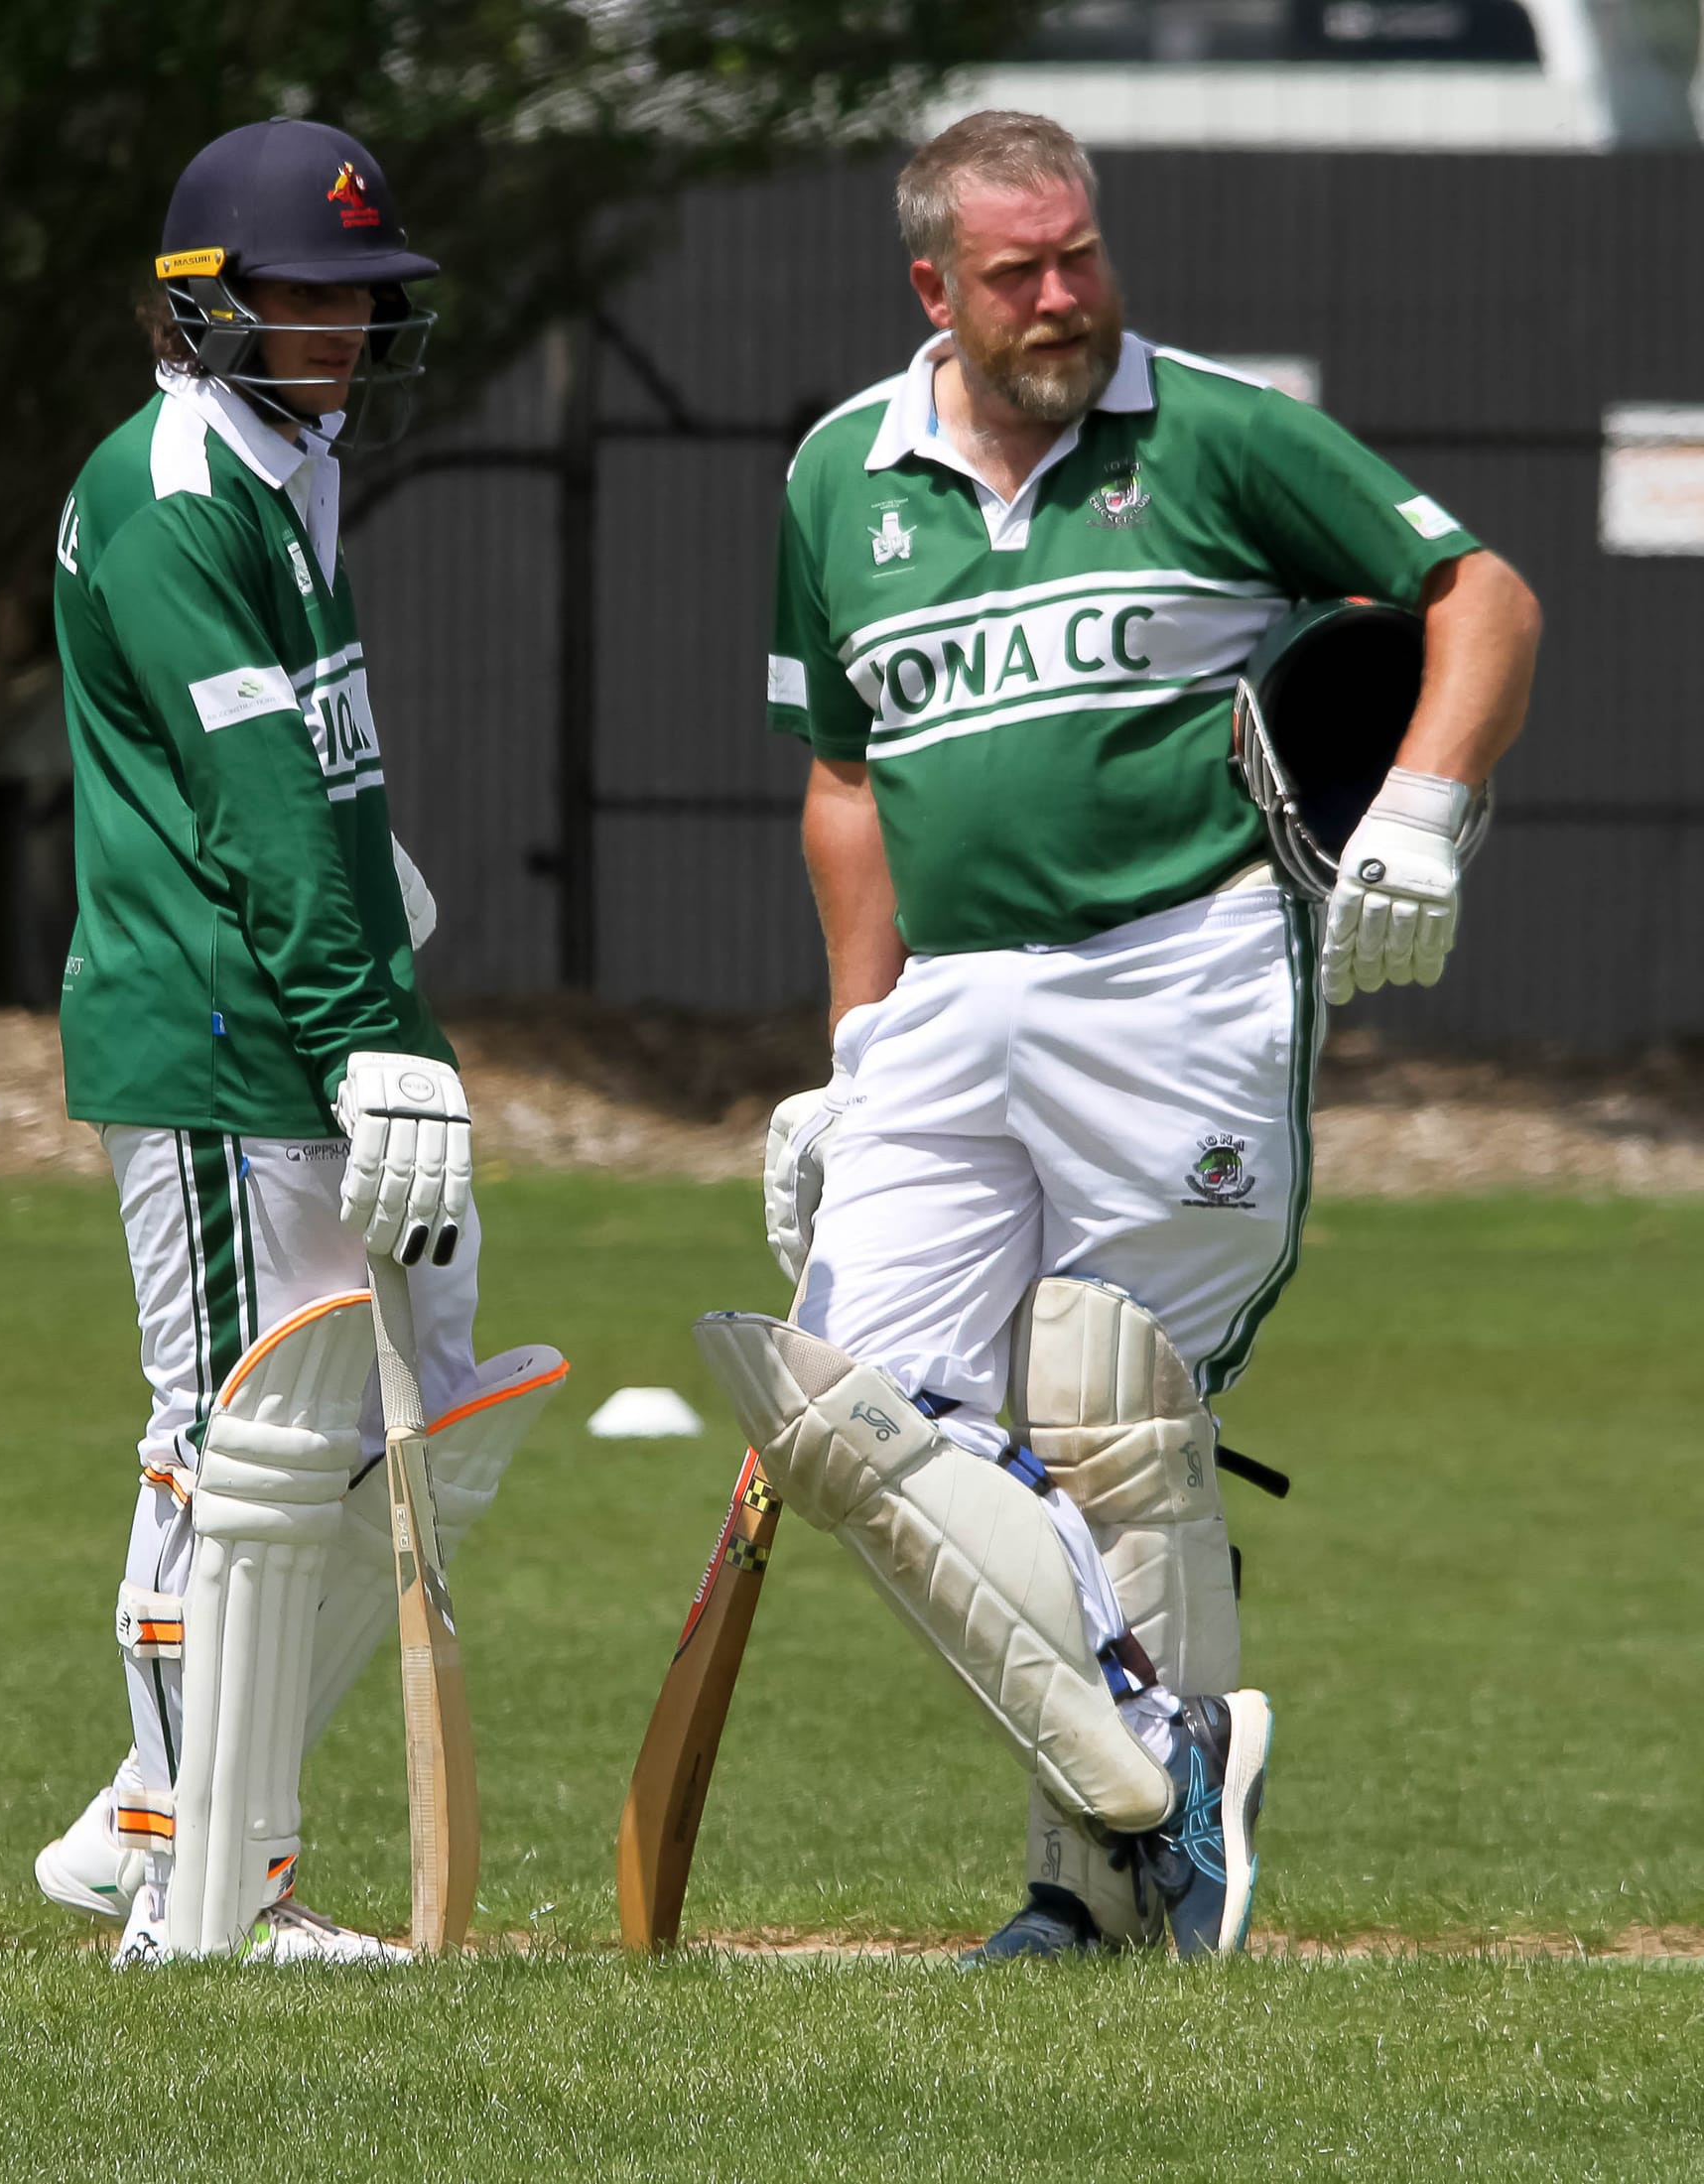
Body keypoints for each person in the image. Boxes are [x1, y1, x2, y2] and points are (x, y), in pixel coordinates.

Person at [752, 109, 1540, 1958]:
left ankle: (1102, 1898)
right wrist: (852, 1046)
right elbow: (844, 784)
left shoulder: (1215, 431)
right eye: (1018, 271)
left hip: (1175, 975)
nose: (1065, 296)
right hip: (944, 1004)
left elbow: (1479, 596)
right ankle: (1170, 1759)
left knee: (1111, 1408)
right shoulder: (832, 478)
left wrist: (1421, 806)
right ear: (931, 287)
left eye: (1083, 253)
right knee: (845, 1411)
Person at [32, 117, 564, 1964]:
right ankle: (206, 1899)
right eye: (304, 296)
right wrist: (367, 1041)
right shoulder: (179, 486)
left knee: (442, 1414)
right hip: (213, 1032)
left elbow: (319, 779)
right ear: (200, 305)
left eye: (362, 299)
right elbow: (252, 795)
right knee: (233, 1442)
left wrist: (385, 967)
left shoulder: (285, 468)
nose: (341, 330)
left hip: (326, 1014)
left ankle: (158, 1808)